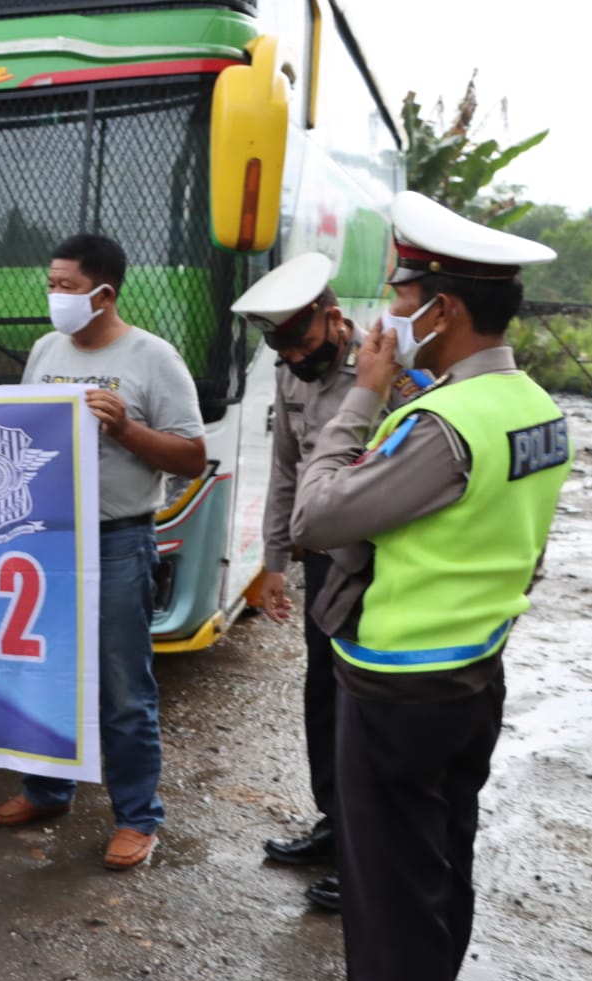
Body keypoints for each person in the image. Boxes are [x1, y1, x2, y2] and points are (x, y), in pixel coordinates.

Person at [291, 192, 567, 981]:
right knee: (440, 863)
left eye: (404, 299)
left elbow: (319, 516)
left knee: (388, 892)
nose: (392, 317)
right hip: (475, 669)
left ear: (443, 309)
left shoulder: (437, 425)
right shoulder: (532, 408)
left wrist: (365, 401)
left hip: (397, 686)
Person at [0, 234, 206, 869]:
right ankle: (47, 789)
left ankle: (138, 817)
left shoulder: (152, 358)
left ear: (104, 293)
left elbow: (192, 456)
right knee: (44, 674)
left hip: (116, 542)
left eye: (68, 287)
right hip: (45, 541)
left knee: (123, 691)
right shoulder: (46, 350)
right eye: (51, 284)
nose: (55, 297)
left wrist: (126, 428)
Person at [230, 252, 365, 912]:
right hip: (322, 566)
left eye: (301, 341)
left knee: (364, 708)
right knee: (324, 699)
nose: (292, 358)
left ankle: (363, 854)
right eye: (279, 347)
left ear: (333, 319)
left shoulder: (385, 377)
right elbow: (286, 469)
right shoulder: (292, 372)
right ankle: (334, 824)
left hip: (375, 568)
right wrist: (274, 565)